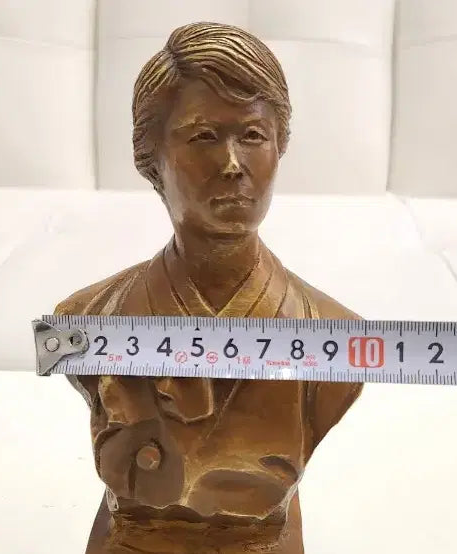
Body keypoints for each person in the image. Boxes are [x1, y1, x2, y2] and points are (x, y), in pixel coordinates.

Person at [54, 21, 364, 554]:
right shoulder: (88, 319)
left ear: (280, 147)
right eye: (203, 136)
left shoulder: (330, 334)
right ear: (151, 157)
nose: (233, 164)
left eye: (253, 135)